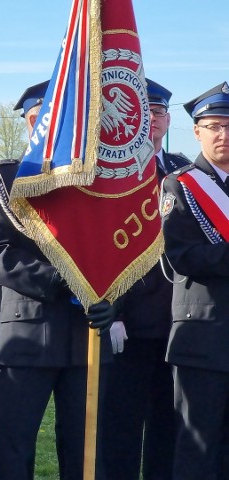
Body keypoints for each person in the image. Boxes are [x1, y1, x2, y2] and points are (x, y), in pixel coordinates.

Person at [0, 82, 115, 479]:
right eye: (43, 120)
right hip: (28, 335)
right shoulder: (2, 178)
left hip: (86, 333)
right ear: (30, 123)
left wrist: (112, 298)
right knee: (14, 447)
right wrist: (66, 280)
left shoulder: (93, 180)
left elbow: (115, 251)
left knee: (86, 448)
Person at [100, 78, 186, 479]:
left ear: (168, 121)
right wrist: (112, 310)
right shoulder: (106, 173)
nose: (152, 120)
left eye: (159, 113)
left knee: (167, 429)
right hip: (126, 324)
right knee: (120, 429)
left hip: (173, 320)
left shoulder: (182, 172)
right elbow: (98, 246)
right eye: (145, 111)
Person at [161, 82, 229, 479]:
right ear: (197, 132)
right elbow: (180, 255)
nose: (224, 135)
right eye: (215, 126)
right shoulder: (179, 186)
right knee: (198, 450)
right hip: (203, 340)